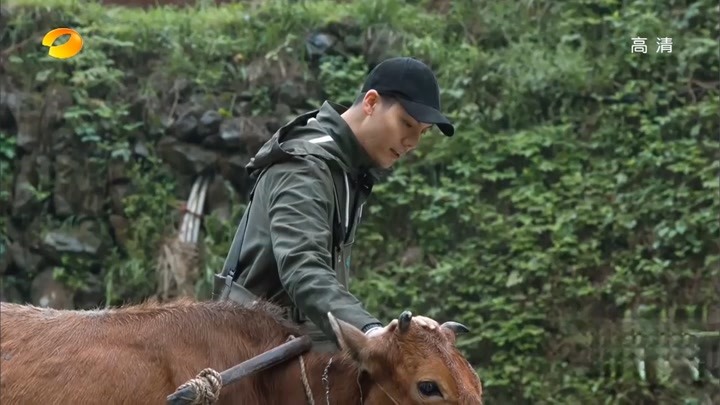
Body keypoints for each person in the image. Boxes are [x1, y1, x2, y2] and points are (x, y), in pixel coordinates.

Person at [214, 56, 456, 352]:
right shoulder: (305, 166)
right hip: (248, 353)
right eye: (406, 123)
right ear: (371, 103)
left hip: (293, 346)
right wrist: (371, 331)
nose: (412, 142)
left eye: (422, 132)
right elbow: (303, 267)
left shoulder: (347, 168)